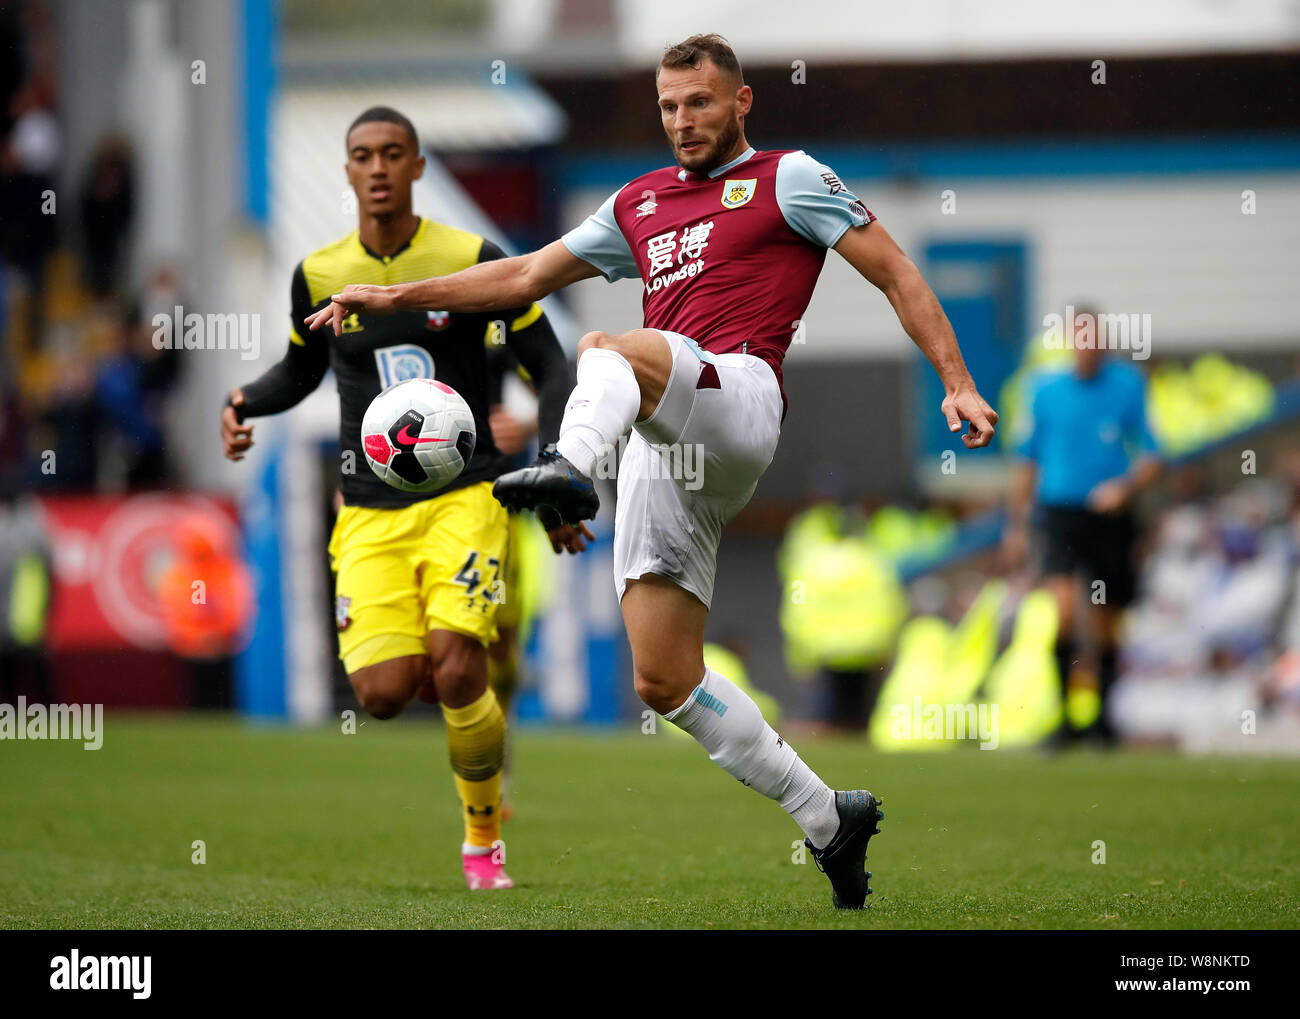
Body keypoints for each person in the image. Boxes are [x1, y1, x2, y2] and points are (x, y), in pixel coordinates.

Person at [308, 39, 998, 909]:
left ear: (742, 101)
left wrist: (958, 382)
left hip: (738, 397)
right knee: (664, 678)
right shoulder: (637, 202)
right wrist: (396, 295)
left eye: (701, 103)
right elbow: (523, 273)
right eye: (671, 106)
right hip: (661, 440)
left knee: (608, 345)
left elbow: (897, 272)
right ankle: (828, 817)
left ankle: (565, 466)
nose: (683, 120)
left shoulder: (791, 178)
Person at [222, 106, 584, 892]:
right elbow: (300, 370)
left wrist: (554, 473)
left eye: (394, 153)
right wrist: (244, 399)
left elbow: (553, 370)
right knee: (383, 694)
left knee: (461, 673)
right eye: (362, 155)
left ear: (418, 167)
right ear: (348, 171)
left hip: (468, 495)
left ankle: (483, 841)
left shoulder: (472, 258)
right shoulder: (317, 274)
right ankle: (436, 659)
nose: (378, 167)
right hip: (367, 510)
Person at [1003, 308, 1161, 745]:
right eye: (1081, 339)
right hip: (1059, 514)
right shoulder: (1044, 390)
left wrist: (1124, 488)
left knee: (1109, 619)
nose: (1088, 348)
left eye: (1096, 340)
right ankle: (1067, 718)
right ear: (1071, 342)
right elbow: (1026, 460)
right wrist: (1016, 525)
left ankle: (1102, 721)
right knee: (1066, 609)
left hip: (1110, 516)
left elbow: (1152, 454)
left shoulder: (1129, 385)